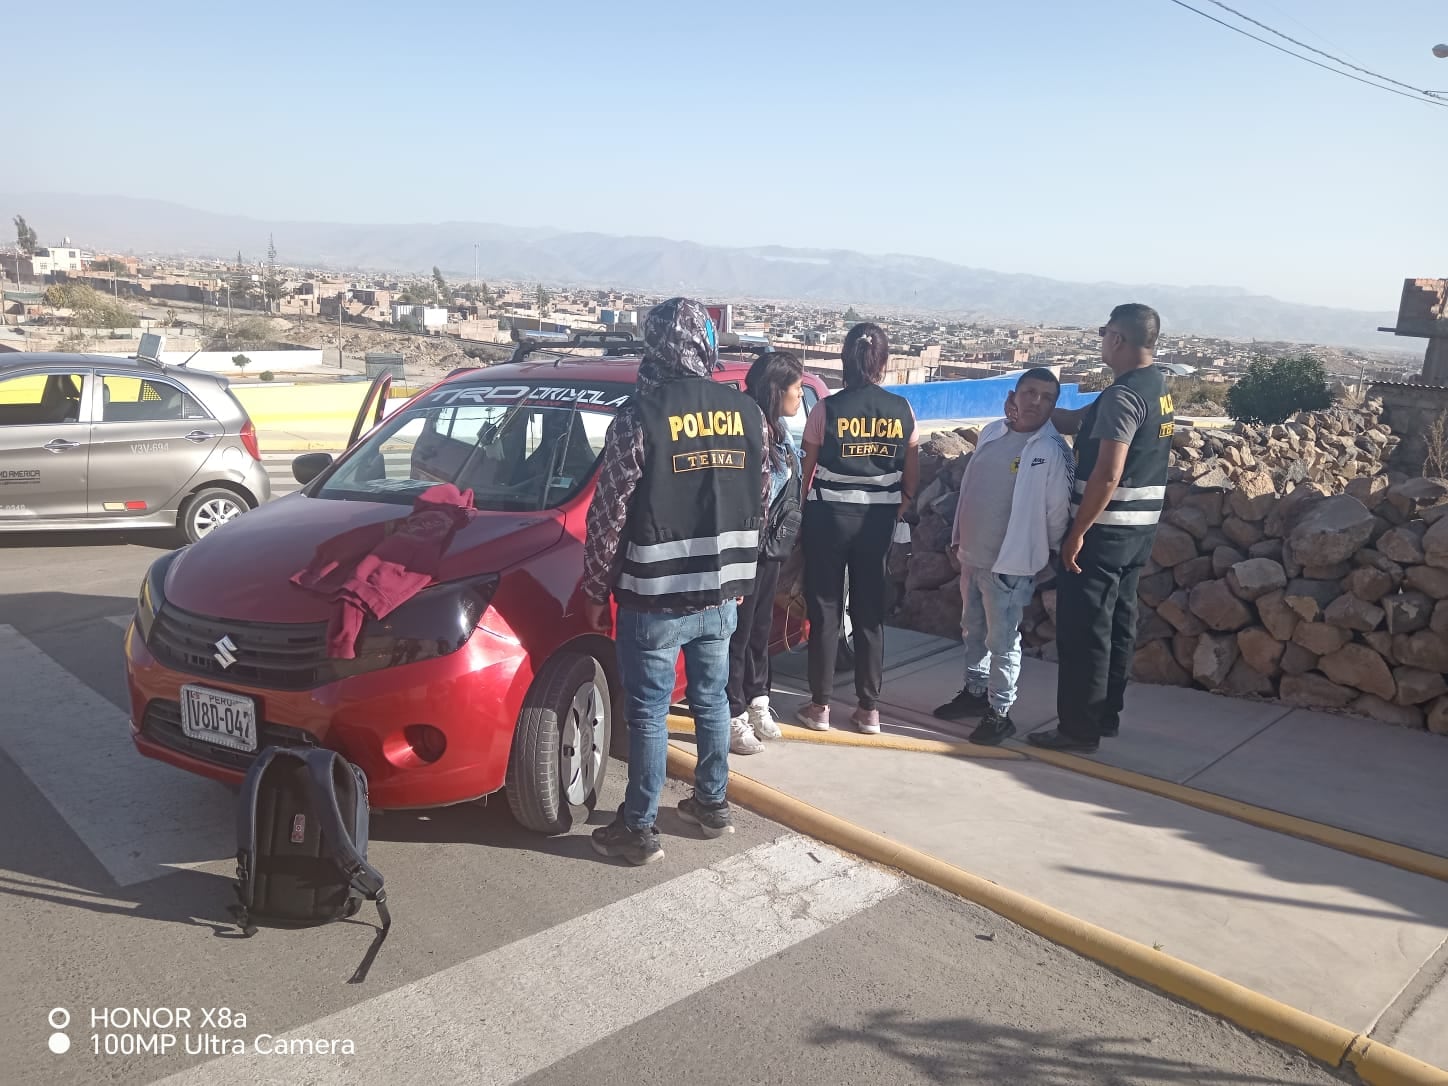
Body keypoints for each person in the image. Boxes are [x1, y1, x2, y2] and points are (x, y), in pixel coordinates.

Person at [580, 297, 769, 865]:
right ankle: (711, 804)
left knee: (650, 712)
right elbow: (761, 493)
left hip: (655, 597)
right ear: (703, 342)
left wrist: (594, 588)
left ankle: (637, 826)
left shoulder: (642, 413)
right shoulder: (746, 412)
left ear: (655, 343)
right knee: (711, 700)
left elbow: (609, 512)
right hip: (722, 591)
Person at [1028, 303, 1173, 754]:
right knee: (1119, 624)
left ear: (1118, 340)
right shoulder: (1153, 387)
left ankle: (1077, 729)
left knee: (1084, 632)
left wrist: (1076, 534)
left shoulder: (1123, 397)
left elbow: (1107, 473)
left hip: (1104, 534)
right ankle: (1105, 713)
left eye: (1105, 333)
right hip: (1136, 534)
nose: (1102, 341)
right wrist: (1035, 408)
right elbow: (1080, 422)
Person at [933, 368, 1073, 744]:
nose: (1036, 402)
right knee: (972, 630)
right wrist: (959, 535)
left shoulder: (1050, 450)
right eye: (1030, 392)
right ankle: (975, 694)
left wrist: (1044, 551)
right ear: (1014, 394)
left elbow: (1057, 512)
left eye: (1047, 397)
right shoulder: (993, 432)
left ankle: (1000, 711)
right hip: (973, 556)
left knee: (1003, 641)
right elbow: (971, 488)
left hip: (1009, 565)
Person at [797, 323, 920, 734]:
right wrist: (895, 507)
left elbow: (806, 471)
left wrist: (799, 516)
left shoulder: (825, 409)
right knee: (869, 613)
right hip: (877, 524)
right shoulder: (902, 410)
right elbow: (911, 475)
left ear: (846, 359)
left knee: (826, 611)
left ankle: (820, 707)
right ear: (883, 362)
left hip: (827, 521)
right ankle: (869, 710)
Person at [726, 350, 805, 754]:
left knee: (760, 630)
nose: (800, 397)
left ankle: (758, 699)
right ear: (777, 391)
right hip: (745, 550)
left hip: (770, 549)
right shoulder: (751, 427)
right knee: (738, 635)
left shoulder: (779, 429)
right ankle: (733, 710)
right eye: (796, 389)